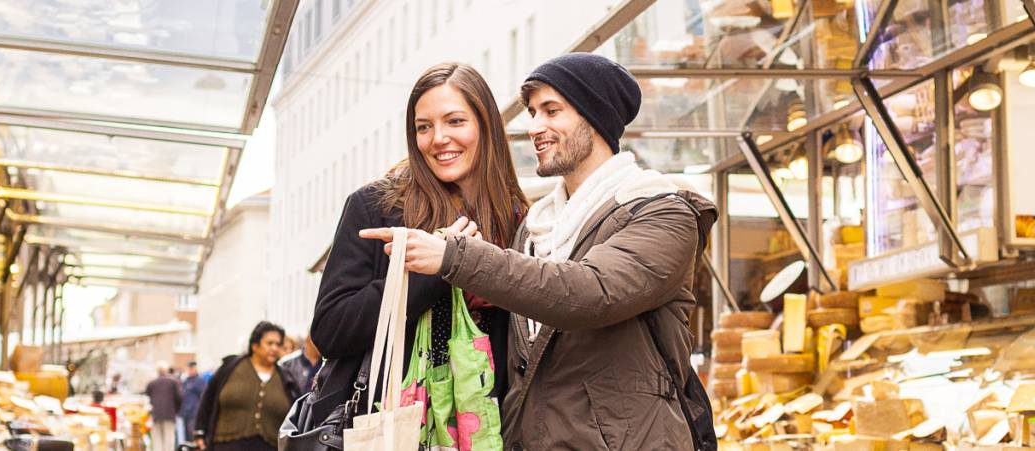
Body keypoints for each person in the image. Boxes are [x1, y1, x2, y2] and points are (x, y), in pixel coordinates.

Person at [364, 53, 717, 450]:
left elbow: (591, 292)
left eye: (552, 111)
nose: (535, 127)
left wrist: (455, 257)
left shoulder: (662, 212)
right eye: (532, 113)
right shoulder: (537, 228)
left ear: (595, 118)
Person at [306, 62, 528, 432]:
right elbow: (330, 329)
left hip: (493, 428)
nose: (438, 138)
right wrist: (438, 269)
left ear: (486, 126)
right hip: (393, 427)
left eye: (455, 121)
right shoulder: (377, 207)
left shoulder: (517, 219)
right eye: (423, 127)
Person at [191, 322, 303, 451]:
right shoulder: (230, 368)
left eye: (278, 344)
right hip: (226, 445)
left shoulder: (286, 378)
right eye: (269, 343)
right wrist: (199, 433)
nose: (274, 348)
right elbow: (207, 401)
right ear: (255, 345)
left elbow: (295, 415)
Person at [145, 366, 183, 450]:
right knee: (169, 437)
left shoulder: (152, 383)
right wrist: (176, 410)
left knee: (157, 438)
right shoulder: (173, 382)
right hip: (170, 414)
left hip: (156, 414)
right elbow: (179, 398)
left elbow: (147, 397)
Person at [177, 361, 206, 445]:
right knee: (186, 437)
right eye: (188, 369)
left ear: (195, 369)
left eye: (191, 369)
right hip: (185, 412)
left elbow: (203, 395)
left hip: (194, 412)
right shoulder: (186, 381)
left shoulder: (200, 380)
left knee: (192, 434)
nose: (189, 371)